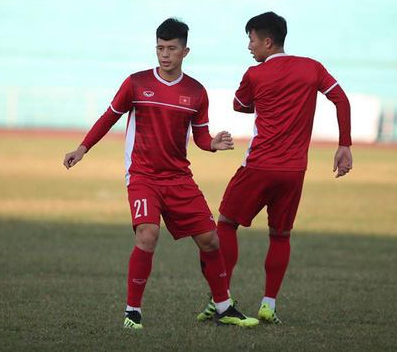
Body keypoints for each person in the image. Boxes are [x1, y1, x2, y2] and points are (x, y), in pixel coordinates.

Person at [63, 18, 259, 329]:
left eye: (171, 49)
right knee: (148, 234)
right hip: (143, 176)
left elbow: (200, 136)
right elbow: (109, 117)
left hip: (179, 178)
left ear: (185, 51)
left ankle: (223, 307)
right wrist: (82, 148)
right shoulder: (136, 83)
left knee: (210, 239)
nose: (165, 54)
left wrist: (212, 144)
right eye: (160, 48)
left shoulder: (196, 92)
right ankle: (132, 312)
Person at [197, 12, 353, 324]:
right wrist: (344, 145)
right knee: (280, 235)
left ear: (268, 42)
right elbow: (341, 100)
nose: (249, 47)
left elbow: (239, 105)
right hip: (294, 171)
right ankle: (268, 304)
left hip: (259, 165)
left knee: (226, 223)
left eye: (252, 40)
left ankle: (220, 299)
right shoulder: (312, 67)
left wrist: (268, 99)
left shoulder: (255, 74)